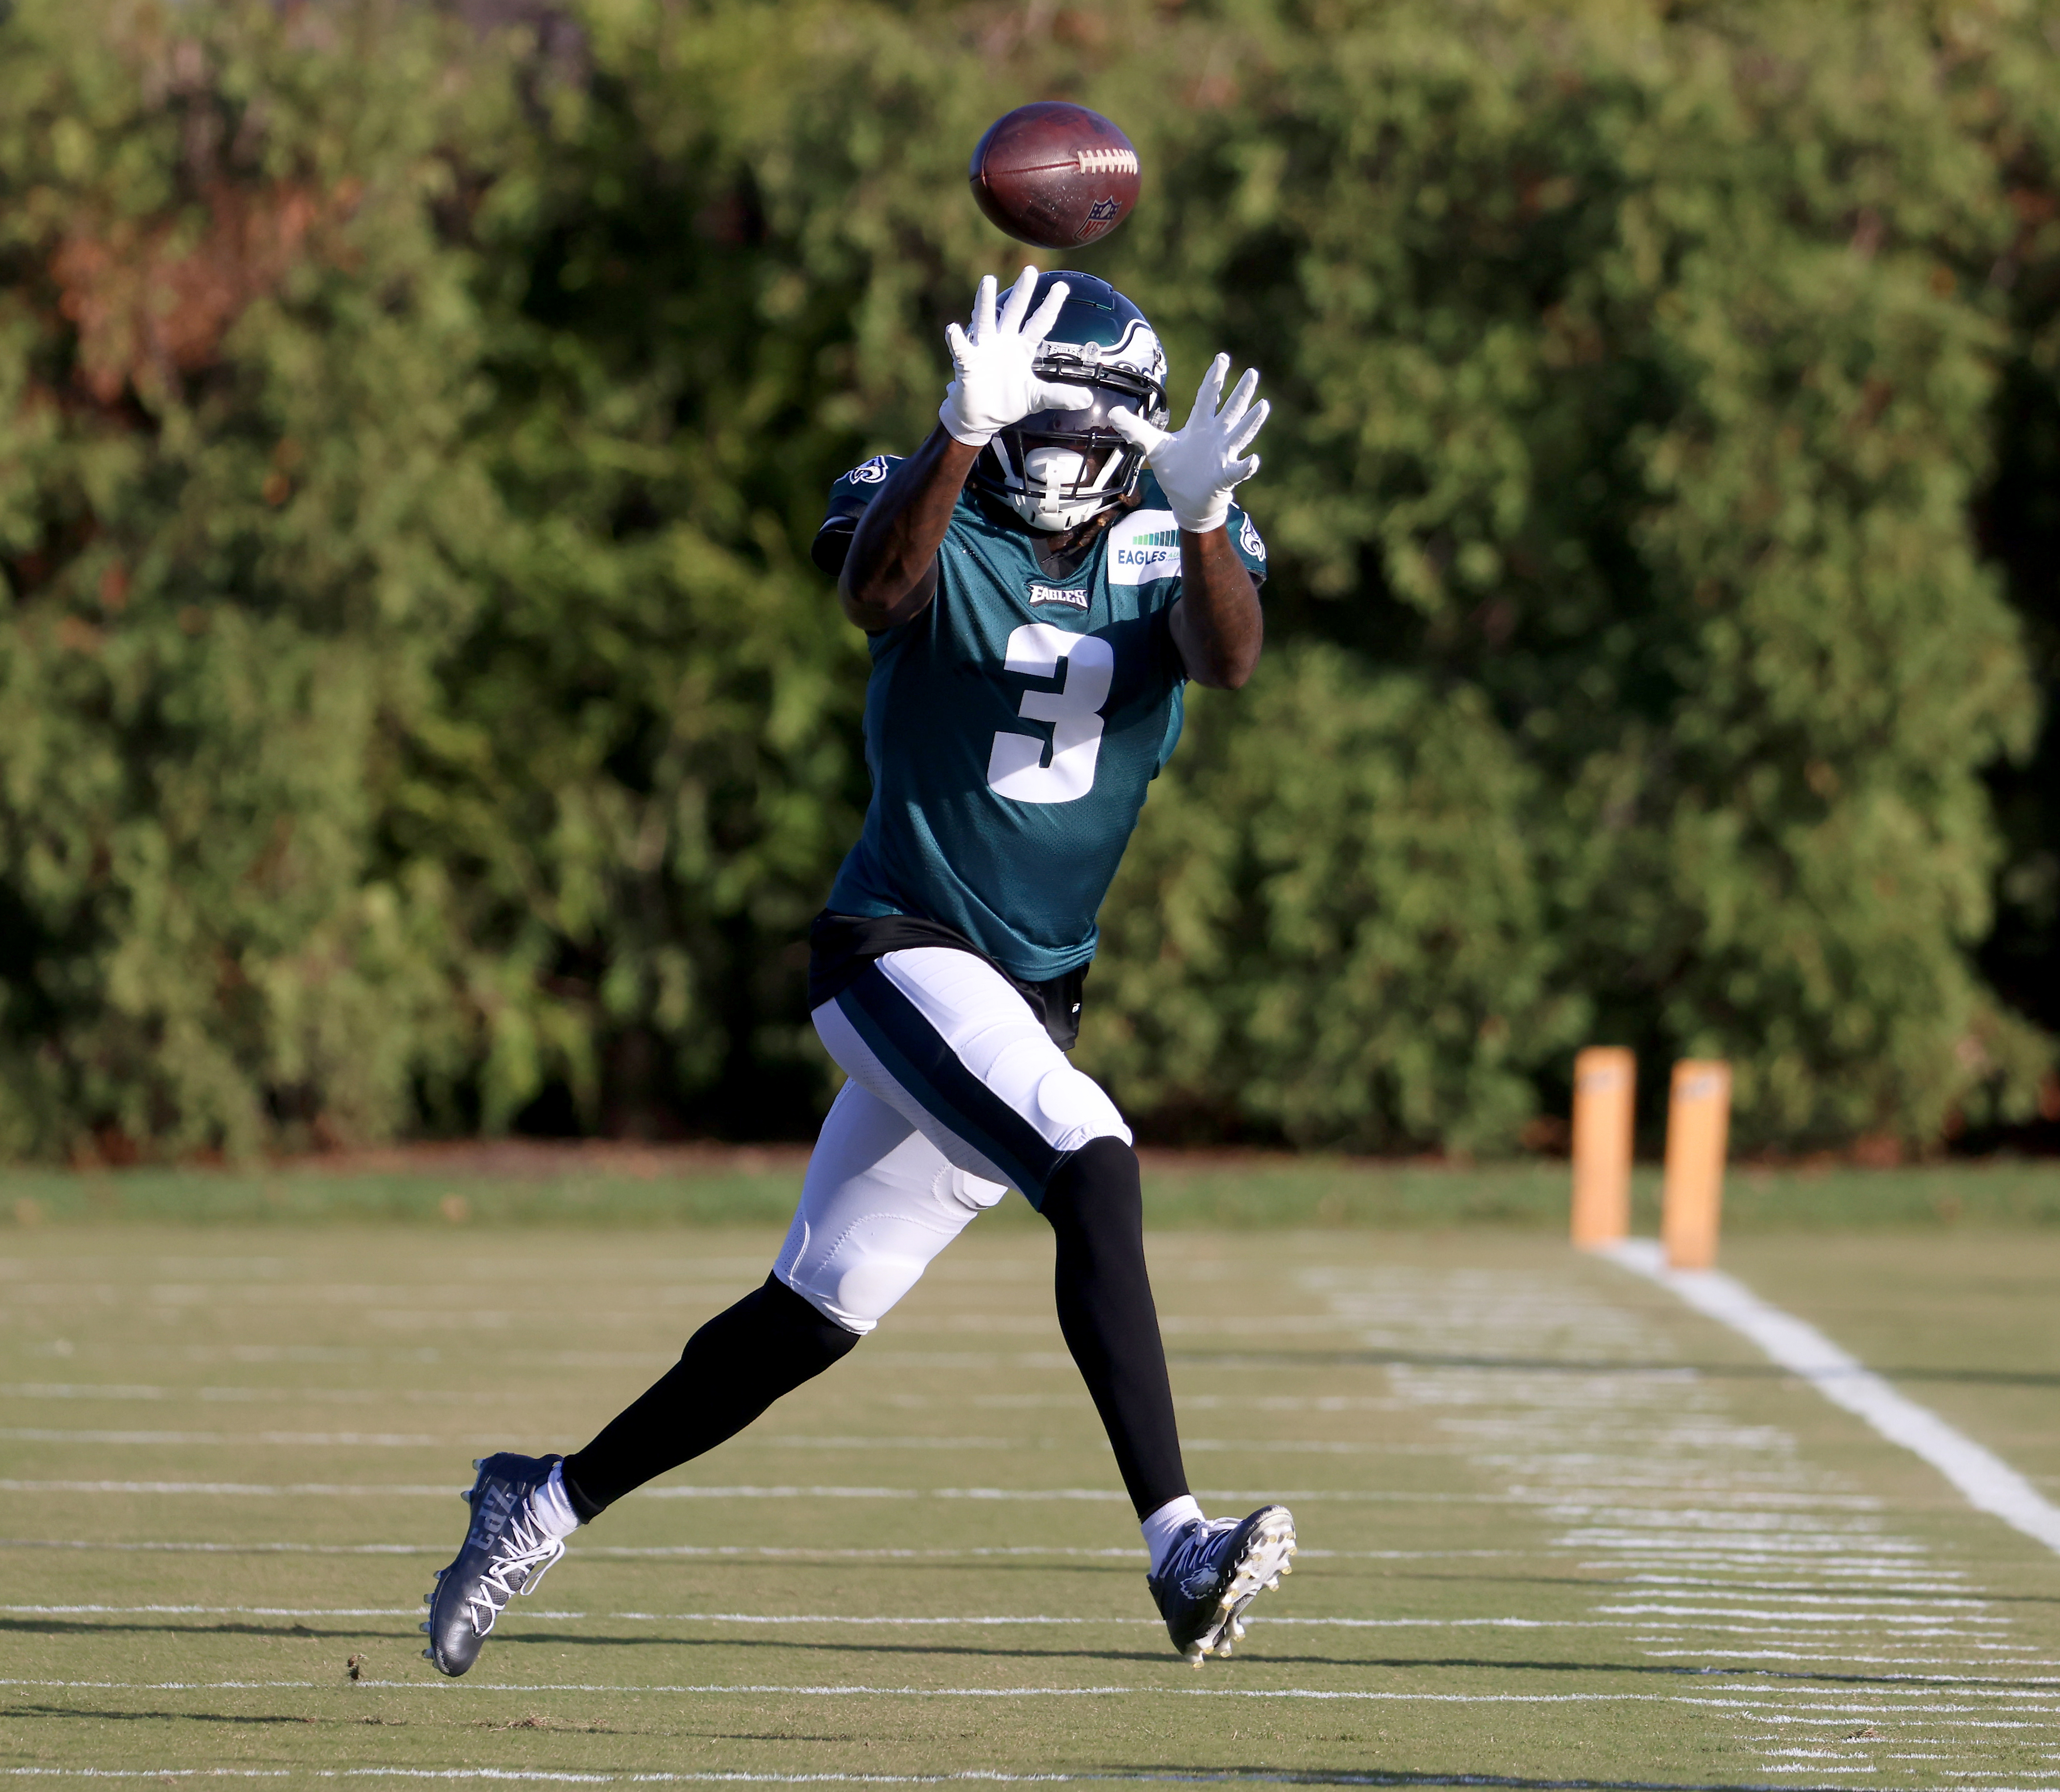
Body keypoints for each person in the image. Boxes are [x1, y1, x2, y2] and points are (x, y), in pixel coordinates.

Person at [420, 265, 1296, 1677]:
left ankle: (546, 1494)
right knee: (1093, 1154)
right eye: (1039, 427)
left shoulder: (1170, 524)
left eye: (1093, 434)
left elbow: (1228, 656)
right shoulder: (916, 490)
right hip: (895, 944)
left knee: (814, 1310)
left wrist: (1198, 515)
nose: (1068, 461)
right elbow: (875, 589)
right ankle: (1177, 1545)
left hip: (1029, 988)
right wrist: (958, 434)